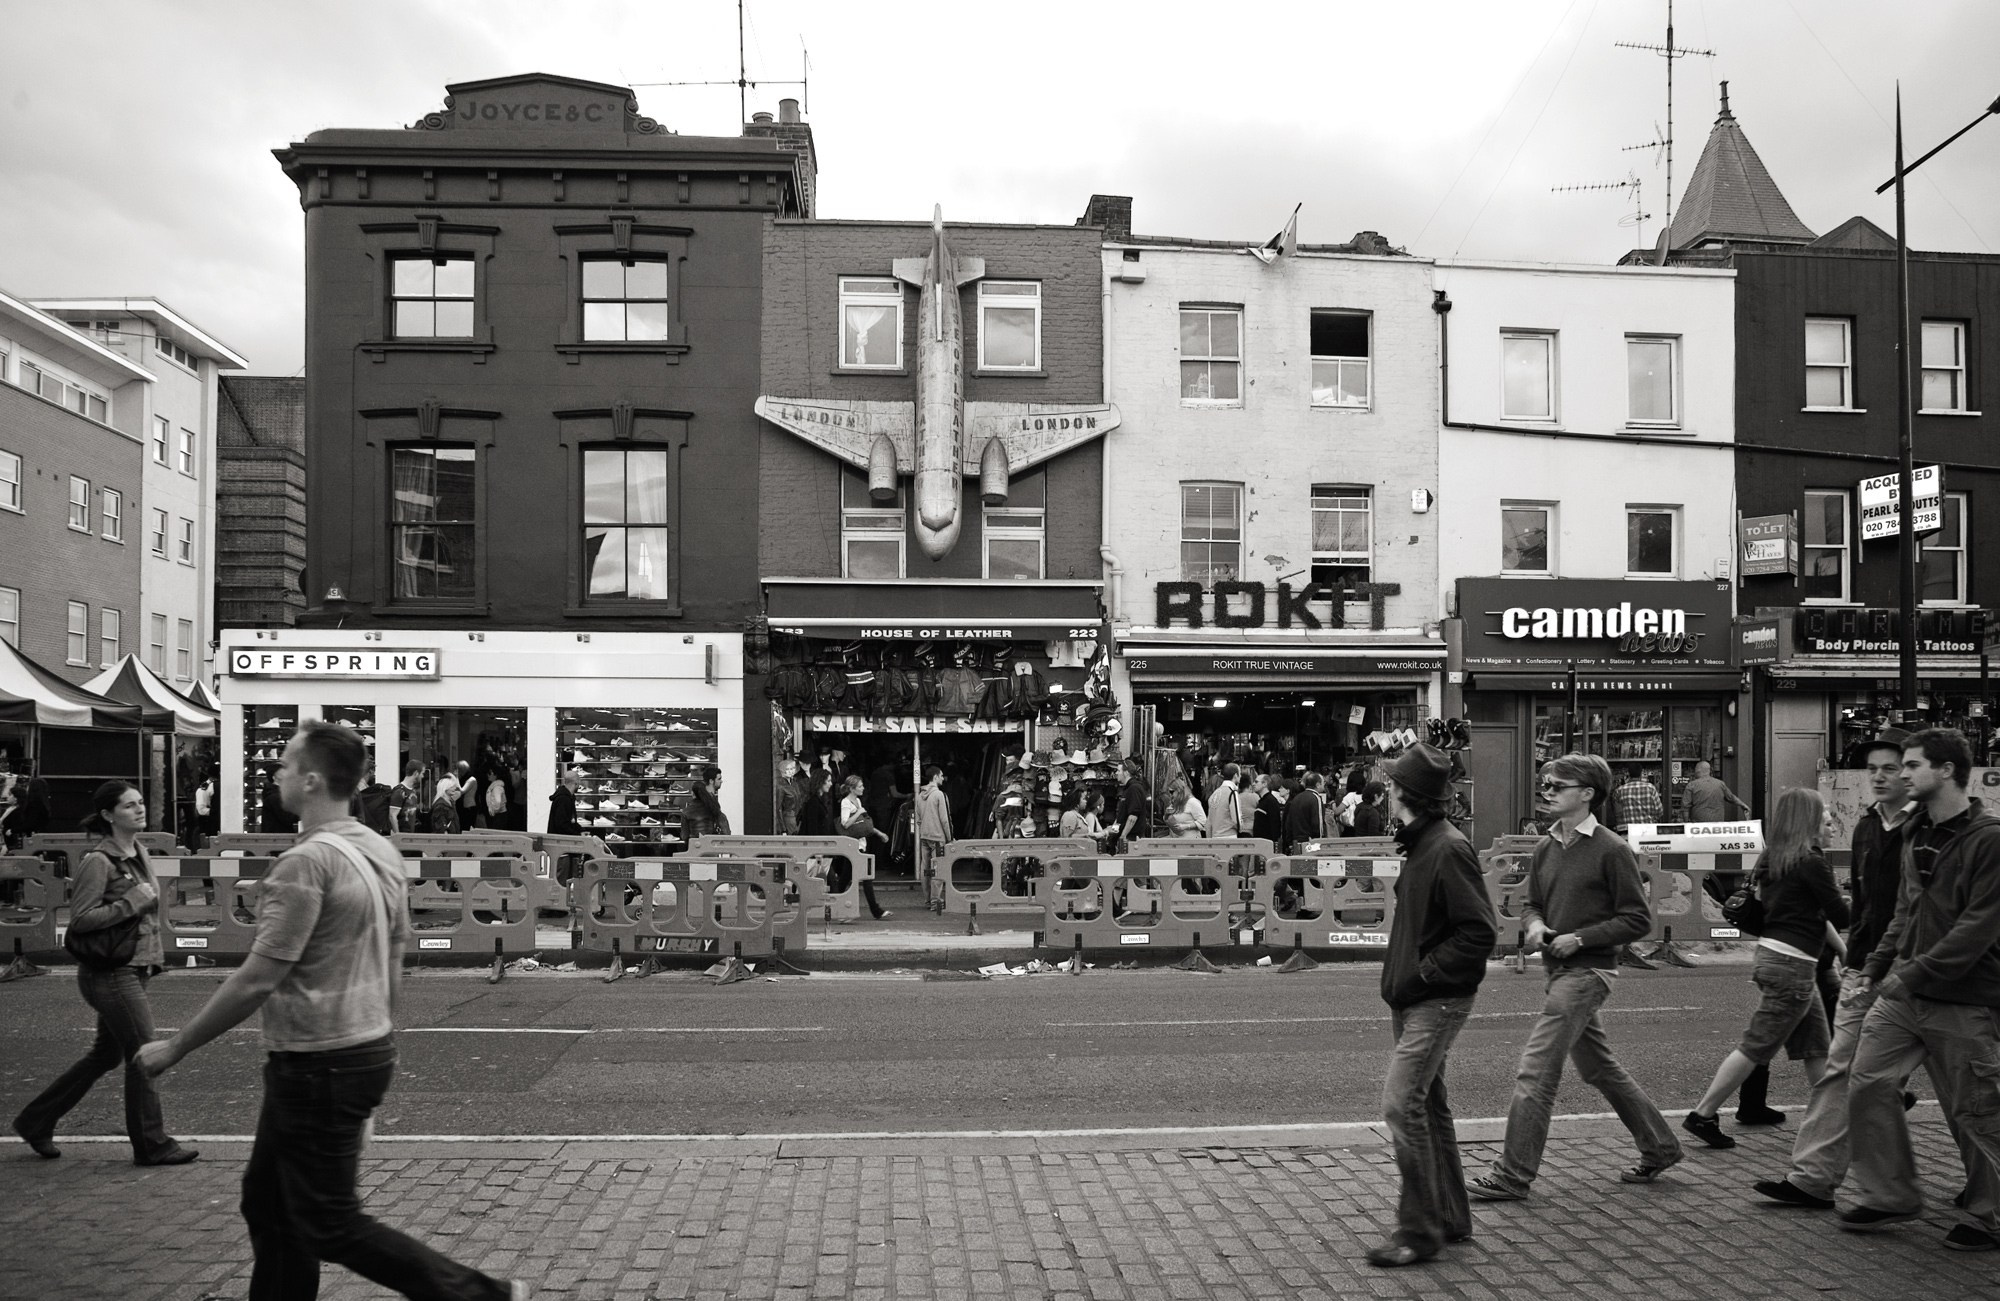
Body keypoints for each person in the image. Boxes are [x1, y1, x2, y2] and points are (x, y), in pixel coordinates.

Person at [134, 723, 520, 1299]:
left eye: (286, 765)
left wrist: (174, 1046)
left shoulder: (304, 863)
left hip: (317, 1062)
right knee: (269, 1205)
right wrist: (379, 1052)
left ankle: (481, 1296)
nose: (277, 773)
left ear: (312, 780)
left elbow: (259, 978)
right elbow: (393, 961)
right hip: (355, 1052)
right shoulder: (379, 849)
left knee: (326, 1222)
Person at [1468, 753, 1682, 1199]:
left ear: (1587, 794)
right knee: (1600, 1069)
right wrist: (1534, 926)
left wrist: (1580, 939)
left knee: (1535, 1071)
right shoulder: (1546, 845)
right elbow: (1531, 904)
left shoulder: (1611, 849)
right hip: (1559, 968)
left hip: (1588, 973)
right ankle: (1660, 1146)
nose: (1546, 793)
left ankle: (1513, 1175)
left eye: (1556, 786)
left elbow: (1636, 919)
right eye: (1544, 785)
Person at [1838, 727, 2000, 1250]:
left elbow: (1976, 929)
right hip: (1905, 990)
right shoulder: (1915, 832)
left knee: (1975, 1110)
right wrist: (1876, 965)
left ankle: (1988, 1214)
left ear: (1947, 770)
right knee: (1866, 1083)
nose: (1900, 774)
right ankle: (1891, 1195)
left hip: (1967, 996)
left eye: (1911, 765)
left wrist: (1905, 975)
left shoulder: (1989, 839)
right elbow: (1907, 910)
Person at [1756, 738, 1913, 1210]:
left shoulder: (1937, 830)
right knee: (1841, 1073)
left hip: (1928, 976)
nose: (1881, 777)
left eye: (1897, 767)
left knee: (1965, 1099)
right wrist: (1857, 956)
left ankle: (1985, 1197)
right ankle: (1813, 1179)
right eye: (1873, 769)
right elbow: (1857, 909)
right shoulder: (1867, 828)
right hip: (1866, 971)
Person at [12, 782, 197, 1167]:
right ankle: (152, 1144)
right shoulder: (98, 861)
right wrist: (129, 904)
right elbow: (80, 921)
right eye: (129, 806)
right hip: (112, 973)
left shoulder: (139, 851)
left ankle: (36, 1120)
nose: (139, 810)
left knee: (105, 1055)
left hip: (134, 968)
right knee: (145, 1053)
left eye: (141, 803)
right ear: (108, 815)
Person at [1365, 745, 1497, 1268]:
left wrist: (1423, 975)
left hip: (1433, 1001)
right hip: (1416, 995)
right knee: (1429, 1106)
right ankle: (1449, 1217)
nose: (1388, 790)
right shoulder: (1424, 844)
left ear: (1404, 794)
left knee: (1401, 1106)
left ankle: (1418, 1232)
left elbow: (1478, 932)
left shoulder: (1445, 849)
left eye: (1393, 783)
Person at [1682, 788, 1849, 1149]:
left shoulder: (1775, 857)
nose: (1831, 822)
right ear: (1808, 820)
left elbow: (1798, 912)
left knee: (1817, 1046)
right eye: (1825, 816)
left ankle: (1836, 1116)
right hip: (1793, 965)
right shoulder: (1811, 861)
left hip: (1777, 958)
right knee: (1755, 1047)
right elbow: (1839, 914)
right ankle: (1703, 1113)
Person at [836, 773, 892, 919]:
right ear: (852, 789)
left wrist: (879, 833)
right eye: (860, 786)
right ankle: (876, 911)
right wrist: (859, 812)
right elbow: (845, 823)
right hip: (853, 846)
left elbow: (864, 825)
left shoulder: (858, 802)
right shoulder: (846, 803)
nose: (863, 788)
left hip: (860, 844)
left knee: (844, 880)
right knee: (866, 878)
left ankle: (833, 907)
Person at [915, 765, 952, 910]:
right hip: (938, 838)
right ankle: (936, 901)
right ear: (935, 777)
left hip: (924, 836)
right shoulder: (939, 795)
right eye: (941, 775)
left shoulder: (919, 795)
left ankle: (927, 899)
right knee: (937, 868)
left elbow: (918, 819)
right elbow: (945, 819)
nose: (943, 778)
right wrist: (949, 838)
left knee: (926, 869)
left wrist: (924, 829)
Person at [1683, 760, 1751, 822]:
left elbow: (1685, 807)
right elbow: (1731, 798)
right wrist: (1743, 805)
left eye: (1695, 770)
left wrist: (1686, 824)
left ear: (1698, 770)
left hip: (1698, 826)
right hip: (1718, 826)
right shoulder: (1720, 784)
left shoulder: (1692, 785)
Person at [680, 765, 729, 843]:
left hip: (695, 847)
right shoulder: (712, 807)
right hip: (710, 845)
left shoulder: (686, 811)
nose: (721, 781)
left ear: (693, 794)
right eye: (719, 779)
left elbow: (684, 836)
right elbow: (725, 830)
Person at [1113, 757, 1152, 850]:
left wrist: (1123, 837)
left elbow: (1133, 816)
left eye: (1118, 770)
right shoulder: (1127, 789)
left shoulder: (1134, 789)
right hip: (1127, 838)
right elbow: (1120, 816)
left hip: (1131, 839)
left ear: (1126, 773)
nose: (1116, 773)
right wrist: (1113, 832)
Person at [351, 761, 395, 837]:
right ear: (370, 771)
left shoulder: (355, 786)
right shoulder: (363, 788)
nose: (374, 773)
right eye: (374, 771)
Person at [1284, 772, 1325, 853]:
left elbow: (1288, 822)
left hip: (1295, 842)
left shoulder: (1296, 798)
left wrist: (1290, 842)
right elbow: (1318, 823)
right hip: (1310, 843)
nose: (1324, 785)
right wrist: (1318, 842)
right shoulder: (1315, 798)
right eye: (1323, 783)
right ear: (1317, 784)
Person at [1206, 763, 1242, 839]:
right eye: (1240, 774)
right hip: (1229, 836)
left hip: (1214, 837)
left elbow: (1209, 822)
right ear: (1235, 775)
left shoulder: (1214, 794)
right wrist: (1241, 829)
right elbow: (1236, 819)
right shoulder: (1232, 792)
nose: (1241, 776)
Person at [260, 766, 299, 834]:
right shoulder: (275, 796)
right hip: (277, 839)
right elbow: (288, 817)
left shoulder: (274, 794)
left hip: (277, 838)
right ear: (274, 777)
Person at [547, 768, 582, 837]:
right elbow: (562, 825)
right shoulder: (564, 800)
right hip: (560, 841)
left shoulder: (567, 798)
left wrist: (581, 830)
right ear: (576, 783)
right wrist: (578, 834)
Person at [1252, 772, 1286, 845]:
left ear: (1264, 784)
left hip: (1266, 845)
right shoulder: (1263, 801)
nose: (1253, 784)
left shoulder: (1270, 801)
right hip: (1261, 844)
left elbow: (1275, 824)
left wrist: (1274, 844)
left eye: (1256, 782)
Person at [430, 763, 462, 835]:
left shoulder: (450, 802)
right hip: (447, 841)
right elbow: (441, 828)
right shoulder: (441, 805)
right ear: (445, 788)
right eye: (452, 786)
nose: (455, 788)